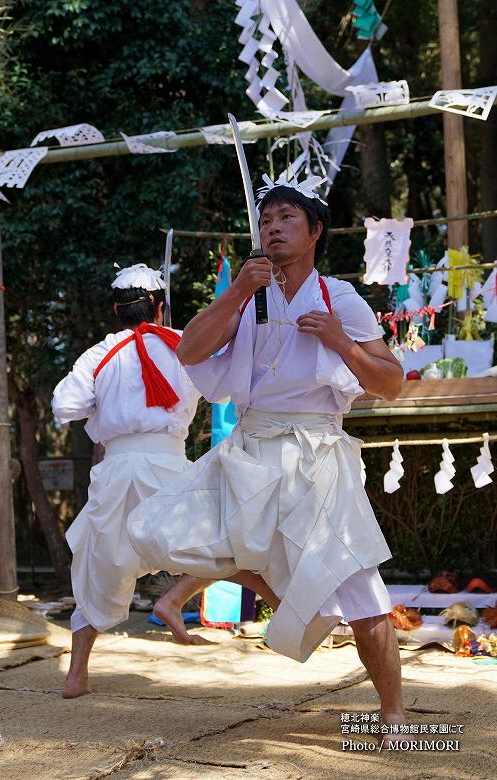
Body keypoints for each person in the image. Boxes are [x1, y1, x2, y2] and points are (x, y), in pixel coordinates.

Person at [127, 174, 406, 729]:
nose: (273, 227)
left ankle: (393, 712)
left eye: (287, 218)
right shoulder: (245, 294)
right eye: (266, 219)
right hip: (251, 447)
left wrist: (340, 342)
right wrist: (235, 293)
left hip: (317, 452)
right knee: (165, 531)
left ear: (315, 230)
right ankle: (301, 600)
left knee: (359, 584)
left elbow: (391, 382)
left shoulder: (339, 297)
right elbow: (192, 352)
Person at [52, 263, 277, 698]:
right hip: (168, 465)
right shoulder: (183, 344)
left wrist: (109, 401)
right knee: (222, 544)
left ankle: (77, 673)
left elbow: (67, 405)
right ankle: (288, 609)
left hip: (117, 471)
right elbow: (224, 386)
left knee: (99, 567)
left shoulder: (98, 355)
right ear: (159, 307)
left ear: (117, 310)